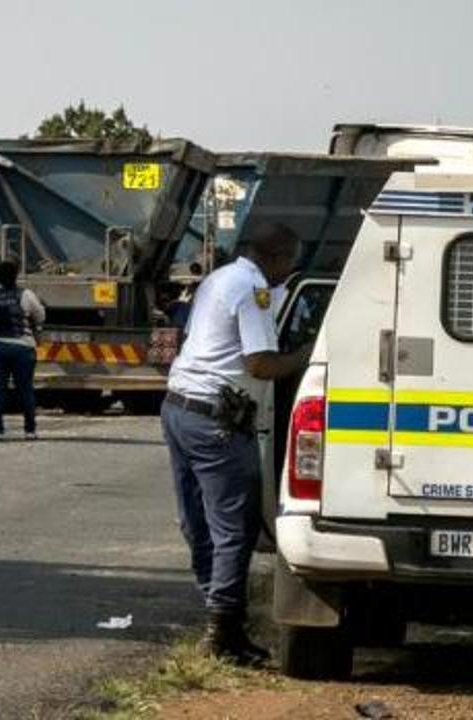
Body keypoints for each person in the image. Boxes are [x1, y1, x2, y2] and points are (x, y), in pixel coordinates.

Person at [161, 222, 311, 666]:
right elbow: (261, 364)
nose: (289, 272)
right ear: (280, 258)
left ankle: (216, 612)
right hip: (217, 421)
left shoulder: (220, 278)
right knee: (234, 528)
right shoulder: (254, 289)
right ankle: (223, 630)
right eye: (291, 263)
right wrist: (310, 354)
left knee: (197, 520)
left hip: (179, 409)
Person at [0, 260, 46, 440]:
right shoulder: (25, 295)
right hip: (22, 348)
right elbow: (40, 316)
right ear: (16, 276)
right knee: (25, 389)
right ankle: (30, 430)